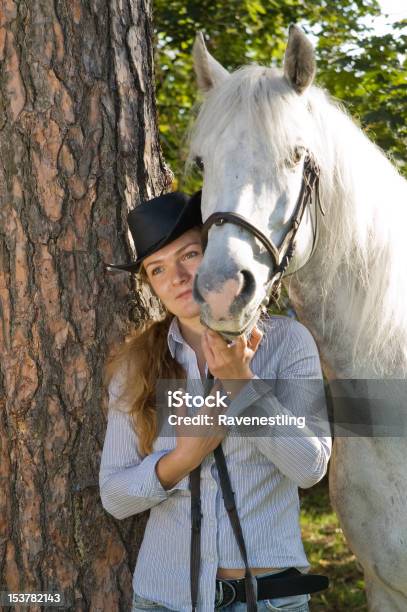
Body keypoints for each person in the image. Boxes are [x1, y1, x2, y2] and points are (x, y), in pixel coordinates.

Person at [100, 191, 332, 612]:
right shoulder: (137, 366)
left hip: (267, 600)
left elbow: (310, 468)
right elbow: (115, 496)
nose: (177, 276)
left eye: (188, 255)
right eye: (157, 269)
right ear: (151, 284)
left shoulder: (285, 343)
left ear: (215, 255)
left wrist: (240, 382)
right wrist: (183, 457)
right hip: (165, 600)